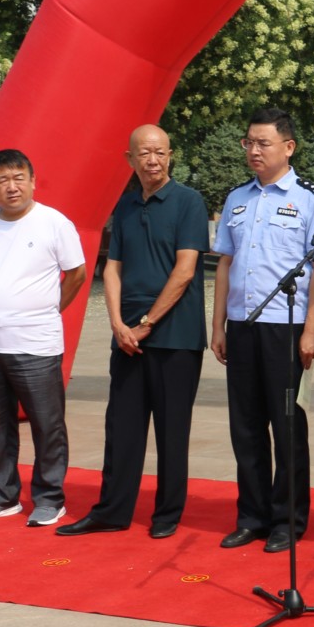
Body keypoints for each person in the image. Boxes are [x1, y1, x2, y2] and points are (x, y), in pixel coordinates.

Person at [59, 125, 209, 538]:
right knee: (121, 428)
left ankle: (167, 514)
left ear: (170, 155)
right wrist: (117, 324)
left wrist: (146, 324)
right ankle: (112, 510)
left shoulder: (188, 202)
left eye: (160, 152)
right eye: (144, 153)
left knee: (172, 431)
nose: (152, 160)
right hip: (127, 339)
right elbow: (112, 268)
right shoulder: (125, 205)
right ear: (130, 159)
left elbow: (185, 271)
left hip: (175, 337)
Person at [209, 108, 314, 553]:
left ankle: (288, 519)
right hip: (242, 326)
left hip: (286, 327)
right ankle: (252, 516)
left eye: (263, 143)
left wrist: (312, 330)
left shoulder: (311, 199)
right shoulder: (237, 198)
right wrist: (218, 324)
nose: (254, 151)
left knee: (286, 427)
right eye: (249, 142)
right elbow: (225, 263)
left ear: (288, 147)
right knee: (245, 426)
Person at [0, 149, 88, 527]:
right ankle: (1, 496)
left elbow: (77, 274)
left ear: (32, 181)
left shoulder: (54, 223)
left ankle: (50, 498)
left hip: (36, 344)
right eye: (2, 180)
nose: (12, 186)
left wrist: (46, 309)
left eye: (18, 178)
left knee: (47, 425)